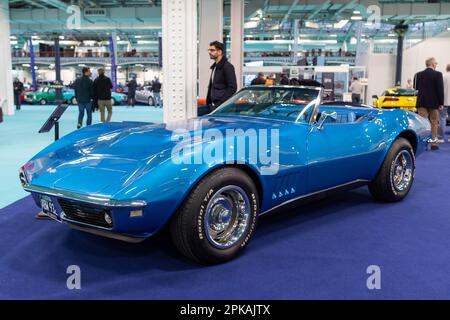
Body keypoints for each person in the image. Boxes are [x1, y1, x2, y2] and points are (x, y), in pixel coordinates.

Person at [414, 57, 444, 150]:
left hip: (421, 102)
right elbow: (440, 90)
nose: (436, 65)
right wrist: (441, 103)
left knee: (423, 123)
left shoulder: (418, 74)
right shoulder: (438, 74)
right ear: (432, 64)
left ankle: (423, 144)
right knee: (434, 122)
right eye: (436, 63)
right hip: (434, 103)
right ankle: (433, 143)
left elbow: (415, 87)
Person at [206, 41, 237, 111]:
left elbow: (232, 88)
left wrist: (221, 103)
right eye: (209, 50)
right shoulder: (215, 67)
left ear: (219, 52)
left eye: (212, 50)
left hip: (223, 107)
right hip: (213, 106)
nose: (209, 52)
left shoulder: (228, 67)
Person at [441, 64, 450, 142]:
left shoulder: (443, 76)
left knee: (442, 119)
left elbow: (440, 89)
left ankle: (441, 138)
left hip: (444, 101)